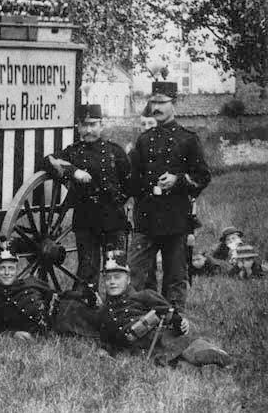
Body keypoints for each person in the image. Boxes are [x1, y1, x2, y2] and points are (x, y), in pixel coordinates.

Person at [127, 81, 211, 308]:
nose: (157, 107)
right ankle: (135, 315)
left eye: (162, 102)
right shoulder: (144, 140)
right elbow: (133, 181)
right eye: (154, 102)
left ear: (175, 104)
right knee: (136, 272)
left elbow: (203, 176)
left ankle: (174, 320)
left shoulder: (188, 139)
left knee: (175, 274)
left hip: (176, 219)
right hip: (146, 218)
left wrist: (178, 180)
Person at [44, 103, 130, 292]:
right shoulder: (73, 152)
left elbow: (130, 182)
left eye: (93, 124)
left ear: (101, 125)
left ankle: (117, 311)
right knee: (87, 271)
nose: (88, 130)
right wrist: (74, 172)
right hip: (86, 220)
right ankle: (86, 310)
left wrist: (117, 201)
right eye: (84, 125)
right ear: (78, 127)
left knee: (115, 268)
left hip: (113, 220)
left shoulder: (115, 151)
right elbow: (48, 161)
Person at [98, 250, 231, 367]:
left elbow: (170, 313)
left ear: (128, 280)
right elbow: (107, 341)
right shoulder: (105, 312)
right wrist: (105, 352)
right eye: (108, 278)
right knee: (179, 366)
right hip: (145, 353)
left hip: (165, 339)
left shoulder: (144, 295)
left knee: (198, 353)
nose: (112, 282)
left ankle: (216, 357)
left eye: (117, 277)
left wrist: (181, 321)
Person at [0, 245, 53, 340]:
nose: (7, 273)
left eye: (11, 268)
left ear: (16, 270)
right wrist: (13, 334)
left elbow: (52, 297)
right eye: (2, 268)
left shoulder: (33, 284)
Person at [190, 226, 266, 278]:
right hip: (228, 268)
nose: (231, 241)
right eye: (228, 240)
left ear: (239, 238)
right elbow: (215, 259)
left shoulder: (245, 247)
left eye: (233, 238)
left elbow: (251, 260)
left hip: (241, 267)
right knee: (205, 260)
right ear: (225, 242)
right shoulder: (223, 249)